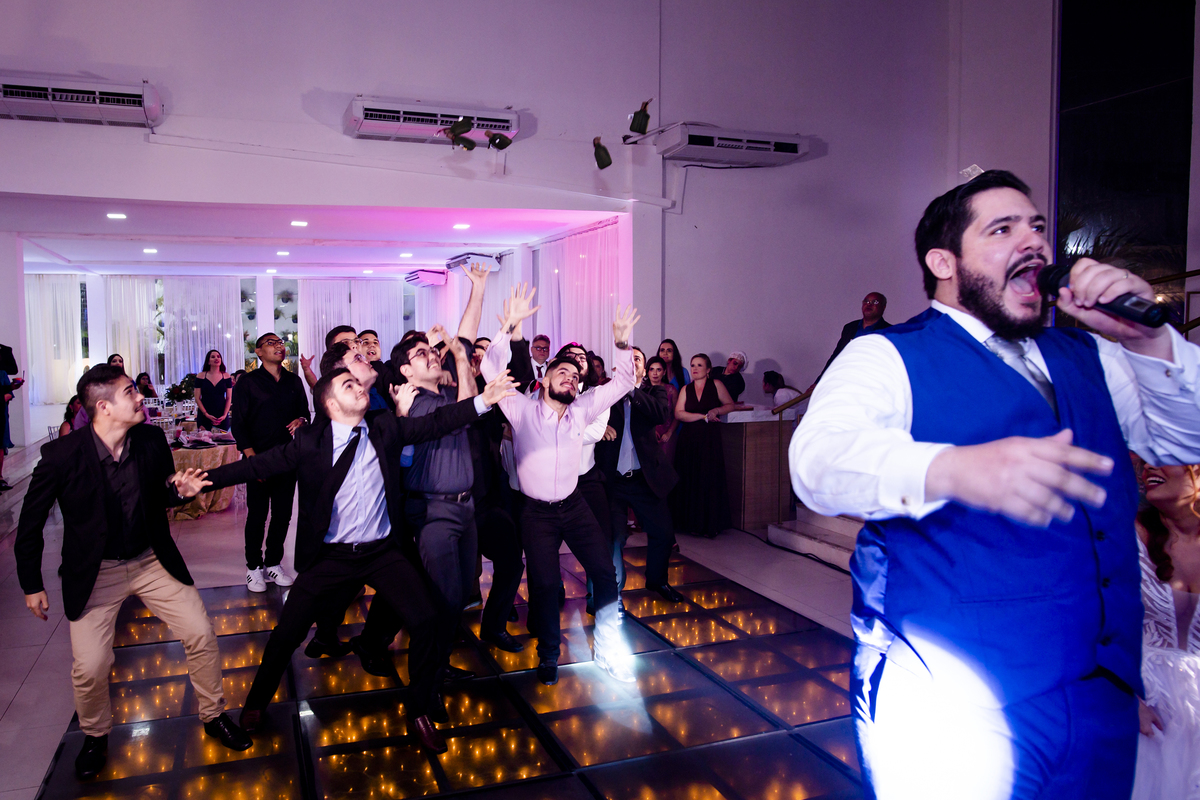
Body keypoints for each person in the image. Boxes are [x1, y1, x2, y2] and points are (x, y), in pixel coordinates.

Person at [790, 169, 1200, 800]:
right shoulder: (889, 354)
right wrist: (953, 467)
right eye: (1002, 229)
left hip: (1103, 696)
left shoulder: (1094, 355)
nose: (1032, 241)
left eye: (1037, 227)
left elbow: (1185, 443)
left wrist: (1151, 341)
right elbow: (817, 463)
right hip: (952, 704)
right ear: (943, 262)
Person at [178, 366, 518, 752]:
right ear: (329, 402)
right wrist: (201, 482)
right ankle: (257, 702)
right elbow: (255, 466)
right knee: (286, 634)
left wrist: (484, 401)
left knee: (428, 620)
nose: (359, 388)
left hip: (380, 552)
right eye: (348, 384)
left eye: (358, 383)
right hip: (330, 556)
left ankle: (419, 709)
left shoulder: (385, 428)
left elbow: (439, 422)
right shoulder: (309, 440)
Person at [16, 365, 251, 780]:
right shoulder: (61, 456)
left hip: (150, 559)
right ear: (104, 407)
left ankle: (213, 716)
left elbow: (161, 494)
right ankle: (95, 736)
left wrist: (178, 491)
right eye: (131, 392)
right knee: (89, 666)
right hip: (96, 572)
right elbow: (30, 523)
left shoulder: (149, 438)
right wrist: (31, 585)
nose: (142, 397)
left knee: (199, 631)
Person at [481, 285, 640, 686]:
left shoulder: (582, 408)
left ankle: (606, 647)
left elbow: (623, 381)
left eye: (575, 375)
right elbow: (489, 369)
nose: (570, 378)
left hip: (574, 505)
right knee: (547, 584)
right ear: (546, 377)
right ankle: (549, 654)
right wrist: (509, 326)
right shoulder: (519, 408)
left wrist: (622, 343)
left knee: (604, 573)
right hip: (536, 513)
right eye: (562, 372)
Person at [1131, 463, 1200, 799]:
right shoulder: (1122, 536)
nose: (1148, 467)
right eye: (1143, 458)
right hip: (1141, 700)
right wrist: (1123, 695)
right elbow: (1083, 620)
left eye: (1163, 455)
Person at [595, 346, 683, 602]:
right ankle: (611, 590)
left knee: (664, 533)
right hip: (612, 478)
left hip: (644, 478)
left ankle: (657, 581)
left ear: (644, 369)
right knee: (615, 536)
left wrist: (630, 388)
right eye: (628, 359)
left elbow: (659, 413)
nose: (632, 363)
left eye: (637, 360)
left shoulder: (653, 391)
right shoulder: (605, 392)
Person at [231, 333, 310, 592]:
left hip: (288, 457)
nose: (279, 346)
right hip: (259, 457)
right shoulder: (248, 383)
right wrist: (252, 459)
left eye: (281, 343)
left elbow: (304, 413)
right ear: (258, 352)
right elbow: (239, 423)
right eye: (271, 343)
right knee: (257, 514)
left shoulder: (293, 381)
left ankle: (273, 563)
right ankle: (253, 567)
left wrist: (301, 420)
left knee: (283, 514)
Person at [672, 355, 737, 537]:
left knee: (708, 477)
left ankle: (710, 524)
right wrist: (701, 417)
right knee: (689, 476)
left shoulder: (716, 385)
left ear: (708, 369)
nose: (694, 368)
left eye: (699, 365)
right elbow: (679, 413)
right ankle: (689, 523)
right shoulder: (686, 388)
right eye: (692, 365)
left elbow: (730, 405)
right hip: (689, 439)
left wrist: (716, 410)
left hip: (710, 439)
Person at [808, 292, 891, 391]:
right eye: (866, 301)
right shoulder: (850, 328)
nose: (869, 304)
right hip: (844, 384)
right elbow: (837, 357)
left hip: (870, 387)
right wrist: (819, 381)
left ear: (883, 307)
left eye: (875, 302)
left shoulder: (889, 332)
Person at [646, 355, 680, 462]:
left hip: (667, 435)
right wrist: (651, 431)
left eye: (658, 370)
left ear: (664, 372)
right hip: (647, 435)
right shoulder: (643, 390)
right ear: (647, 372)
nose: (655, 373)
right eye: (652, 369)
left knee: (667, 470)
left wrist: (669, 432)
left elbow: (677, 415)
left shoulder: (671, 390)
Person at [194, 350, 233, 431]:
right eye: (213, 357)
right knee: (204, 441)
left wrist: (225, 414)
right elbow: (197, 398)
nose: (216, 358)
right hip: (205, 412)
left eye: (218, 357)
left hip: (222, 413)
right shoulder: (200, 376)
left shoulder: (226, 376)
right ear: (208, 361)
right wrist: (206, 414)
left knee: (223, 441)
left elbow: (229, 398)